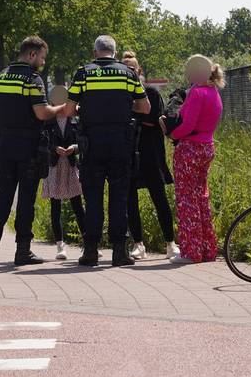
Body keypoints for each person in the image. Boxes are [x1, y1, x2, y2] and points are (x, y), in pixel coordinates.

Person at [62, 35, 150, 267]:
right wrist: (122, 106)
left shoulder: (83, 73)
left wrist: (87, 108)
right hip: (121, 142)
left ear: (95, 52)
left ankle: (90, 251)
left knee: (93, 198)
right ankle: (119, 252)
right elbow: (145, 106)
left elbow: (70, 110)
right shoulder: (127, 73)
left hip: (92, 143)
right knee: (119, 197)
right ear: (114, 52)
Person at [0, 36, 64, 266]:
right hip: (29, 148)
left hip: (6, 146)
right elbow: (41, 113)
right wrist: (62, 109)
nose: (43, 63)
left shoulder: (1, 76)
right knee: (26, 199)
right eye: (42, 58)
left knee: (3, 197)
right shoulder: (32, 79)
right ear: (32, 54)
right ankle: (22, 251)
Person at [163, 54, 225, 264]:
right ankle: (208, 249)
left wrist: (172, 134)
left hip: (190, 149)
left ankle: (191, 252)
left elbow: (187, 125)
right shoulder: (214, 92)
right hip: (207, 146)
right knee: (201, 198)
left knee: (186, 200)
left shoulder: (197, 93)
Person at [120, 52, 176, 260]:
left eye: (132, 69)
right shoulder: (119, 93)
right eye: (125, 69)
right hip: (129, 153)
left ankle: (170, 242)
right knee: (130, 200)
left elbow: (154, 118)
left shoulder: (150, 92)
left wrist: (133, 113)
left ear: (139, 71)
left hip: (151, 154)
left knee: (159, 198)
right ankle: (138, 244)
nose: (130, 72)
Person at [41, 86, 86, 260]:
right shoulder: (48, 120)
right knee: (55, 206)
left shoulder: (75, 119)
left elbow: (82, 140)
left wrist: (73, 148)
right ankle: (60, 246)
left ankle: (87, 241)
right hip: (54, 165)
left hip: (71, 165)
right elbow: (43, 142)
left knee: (77, 205)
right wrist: (54, 149)